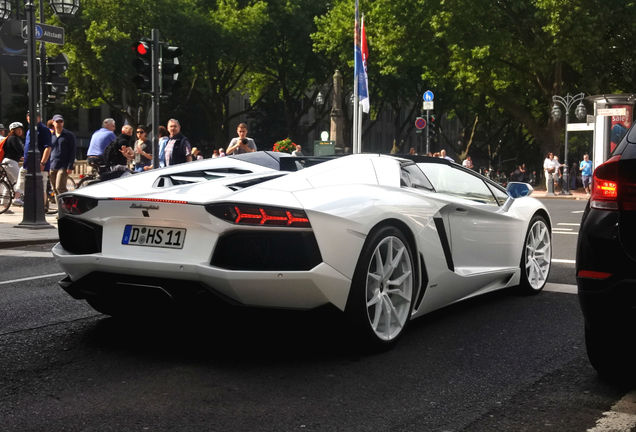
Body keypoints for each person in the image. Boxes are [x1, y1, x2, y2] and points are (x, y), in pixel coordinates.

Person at [15, 112, 52, 207]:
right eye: (28, 117)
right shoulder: (29, 130)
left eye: (31, 116)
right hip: (28, 163)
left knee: (41, 187)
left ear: (38, 118)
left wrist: (43, 163)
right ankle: (18, 197)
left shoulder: (43, 129)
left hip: (40, 164)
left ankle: (41, 208)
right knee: (23, 177)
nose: (29, 118)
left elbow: (48, 147)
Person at [49, 114, 76, 198]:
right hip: (52, 165)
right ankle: (60, 208)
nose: (59, 123)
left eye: (61, 121)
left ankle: (67, 206)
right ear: (53, 123)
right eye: (57, 121)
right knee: (54, 189)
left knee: (60, 188)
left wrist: (70, 166)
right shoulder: (50, 135)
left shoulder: (69, 135)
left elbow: (73, 151)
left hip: (64, 165)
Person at [2, 122, 25, 202]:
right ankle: (17, 198)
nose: (20, 131)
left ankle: (4, 203)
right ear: (13, 130)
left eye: (21, 129)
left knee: (9, 183)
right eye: (18, 129)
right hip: (11, 162)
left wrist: (21, 157)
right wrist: (24, 156)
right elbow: (20, 150)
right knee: (21, 180)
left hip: (7, 162)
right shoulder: (14, 138)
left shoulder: (9, 138)